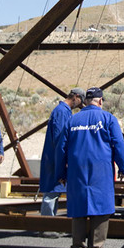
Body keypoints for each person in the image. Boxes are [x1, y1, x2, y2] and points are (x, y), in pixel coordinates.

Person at [55, 87, 124, 248]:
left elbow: (61, 148)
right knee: (101, 210)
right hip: (100, 170)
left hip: (77, 170)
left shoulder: (73, 120)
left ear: (86, 101)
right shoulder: (108, 118)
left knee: (79, 210)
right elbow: (119, 145)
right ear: (100, 101)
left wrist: (61, 172)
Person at [38, 87, 85, 225]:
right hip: (55, 159)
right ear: (76, 97)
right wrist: (63, 160)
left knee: (54, 192)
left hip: (55, 158)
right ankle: (47, 226)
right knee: (52, 192)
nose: (80, 105)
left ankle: (50, 224)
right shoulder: (62, 112)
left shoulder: (62, 111)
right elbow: (60, 139)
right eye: (80, 101)